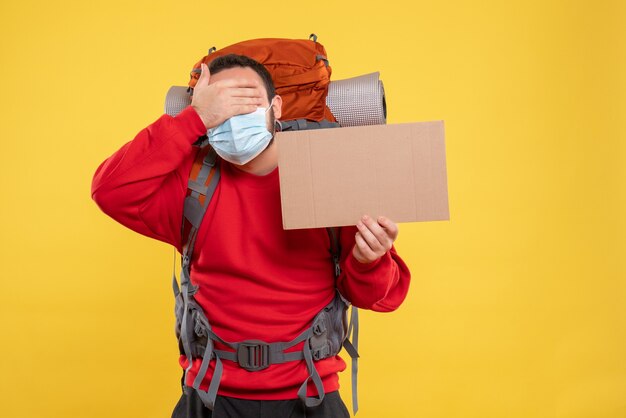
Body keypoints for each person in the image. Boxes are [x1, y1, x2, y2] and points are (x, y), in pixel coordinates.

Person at [91, 54, 411, 418]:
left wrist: (370, 261)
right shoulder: (193, 184)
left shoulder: (326, 174)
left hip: (311, 394)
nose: (233, 117)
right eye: (221, 107)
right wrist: (193, 119)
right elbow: (110, 190)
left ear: (275, 107)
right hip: (210, 396)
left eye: (246, 102)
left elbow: (382, 298)